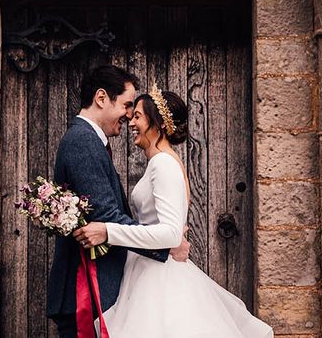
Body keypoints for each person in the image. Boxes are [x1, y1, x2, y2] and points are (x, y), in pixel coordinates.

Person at [73, 85, 275, 338]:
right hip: (145, 269)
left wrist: (107, 231)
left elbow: (169, 234)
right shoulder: (160, 162)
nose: (131, 122)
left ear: (156, 123)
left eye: (138, 116)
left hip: (159, 277)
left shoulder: (163, 164)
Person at [47, 66, 190, 337]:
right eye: (127, 106)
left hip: (104, 285)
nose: (129, 116)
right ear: (102, 98)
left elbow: (107, 218)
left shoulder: (94, 142)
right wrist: (167, 247)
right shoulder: (83, 141)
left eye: (135, 112)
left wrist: (166, 240)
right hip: (85, 289)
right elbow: (107, 214)